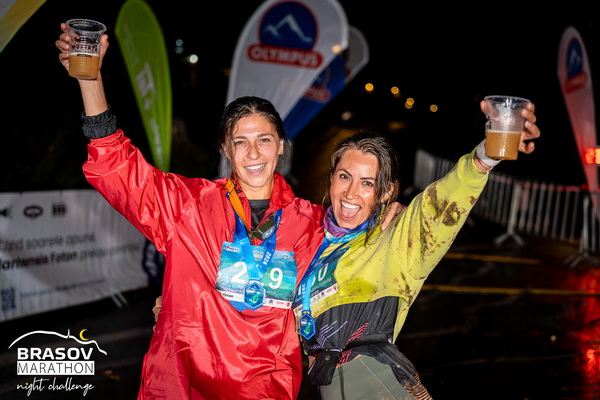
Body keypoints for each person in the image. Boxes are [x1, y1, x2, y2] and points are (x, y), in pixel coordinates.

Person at [55, 23, 401, 400]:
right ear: (225, 148)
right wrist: (90, 80)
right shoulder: (188, 205)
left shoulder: (313, 225)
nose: (253, 154)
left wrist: (388, 214)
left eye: (264, 140)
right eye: (240, 142)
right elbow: (118, 168)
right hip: (181, 384)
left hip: (264, 390)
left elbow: (357, 238)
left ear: (281, 145)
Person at [290, 116, 539, 399]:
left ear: (385, 192)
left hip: (374, 380)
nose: (351, 192)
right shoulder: (311, 239)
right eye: (344, 176)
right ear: (331, 177)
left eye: (367, 183)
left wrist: (486, 155)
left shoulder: (395, 238)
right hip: (333, 385)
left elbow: (441, 202)